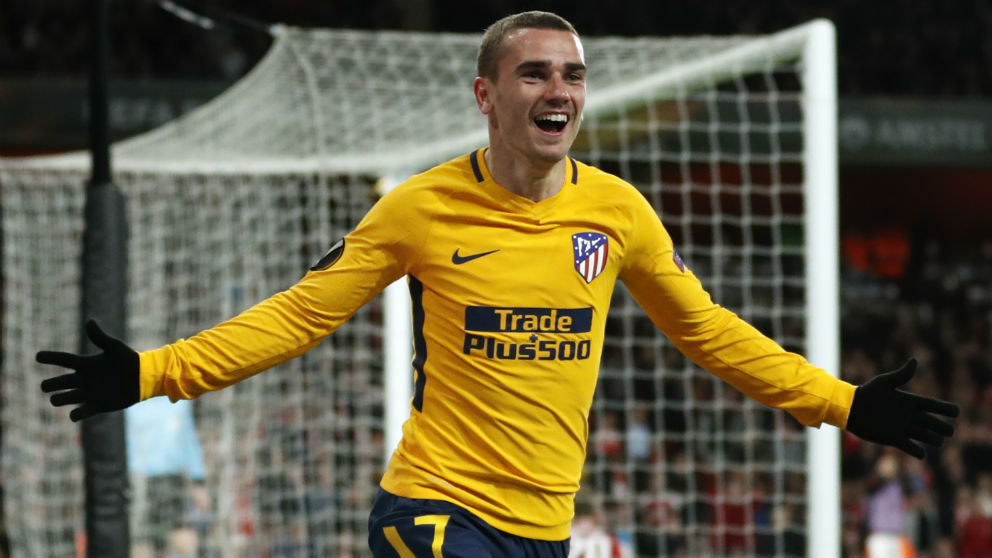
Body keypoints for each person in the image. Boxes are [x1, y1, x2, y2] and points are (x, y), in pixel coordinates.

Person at [36, 11, 960, 558]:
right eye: (534, 73)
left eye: (573, 75)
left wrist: (840, 403)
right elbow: (294, 318)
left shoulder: (620, 214)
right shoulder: (417, 209)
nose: (558, 89)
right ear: (487, 95)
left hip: (545, 527)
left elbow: (712, 332)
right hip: (434, 511)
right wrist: (153, 374)